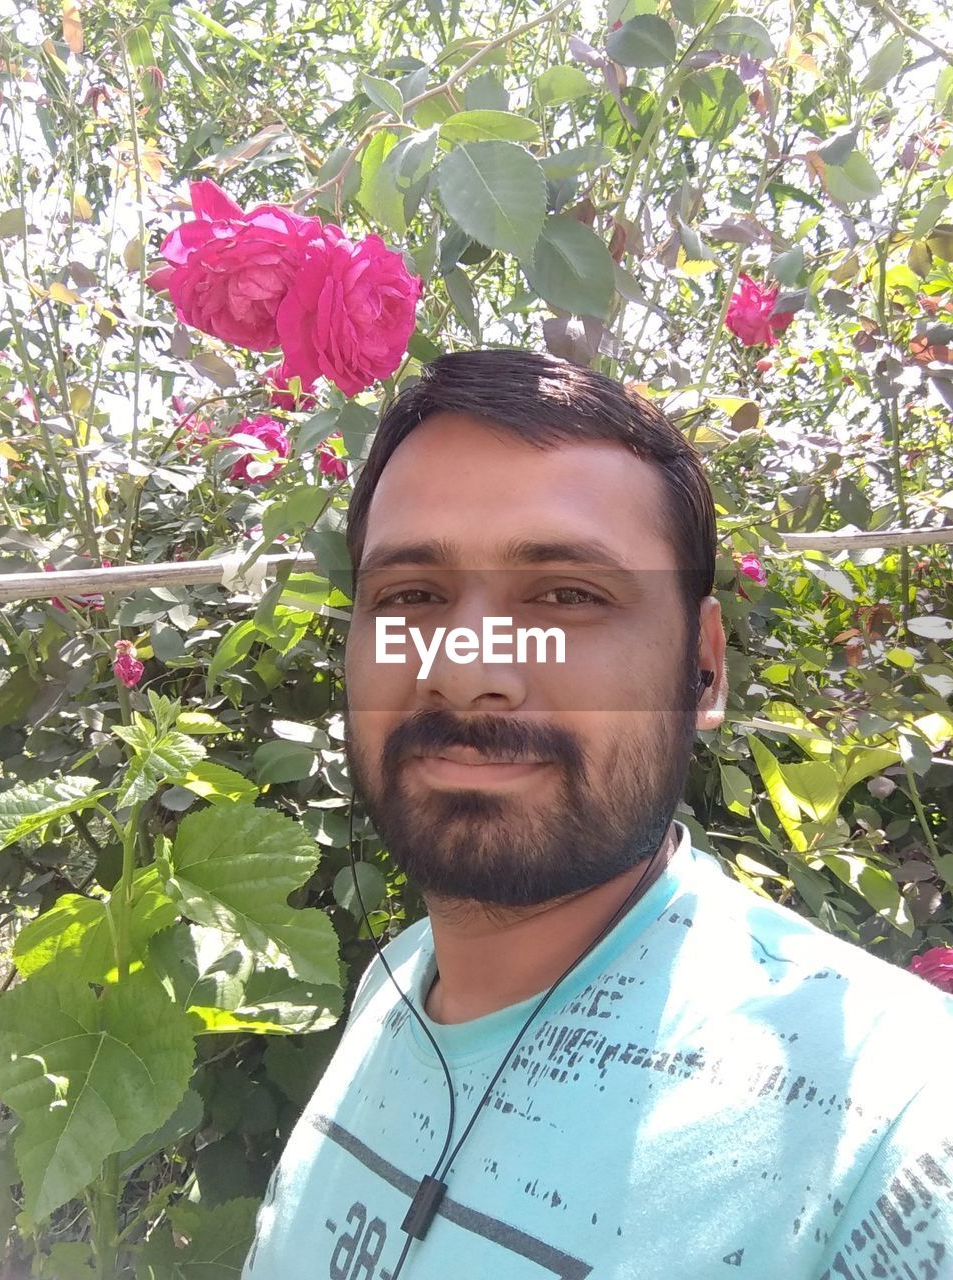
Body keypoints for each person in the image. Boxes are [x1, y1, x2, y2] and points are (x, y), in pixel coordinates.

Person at [243, 349, 953, 1280]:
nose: (465, 669)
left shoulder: (891, 1126)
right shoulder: (393, 989)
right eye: (410, 596)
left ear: (703, 667)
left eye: (569, 596)